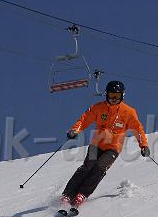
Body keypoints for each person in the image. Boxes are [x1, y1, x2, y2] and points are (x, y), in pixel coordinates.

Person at [61, 80, 149, 208]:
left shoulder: (128, 112)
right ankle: (68, 194)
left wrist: (143, 145)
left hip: (113, 148)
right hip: (96, 144)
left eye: (117, 96)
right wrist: (75, 130)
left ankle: (82, 194)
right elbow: (84, 119)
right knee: (87, 166)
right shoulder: (98, 108)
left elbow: (138, 129)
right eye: (111, 95)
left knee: (99, 167)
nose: (114, 99)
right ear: (106, 94)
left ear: (122, 96)